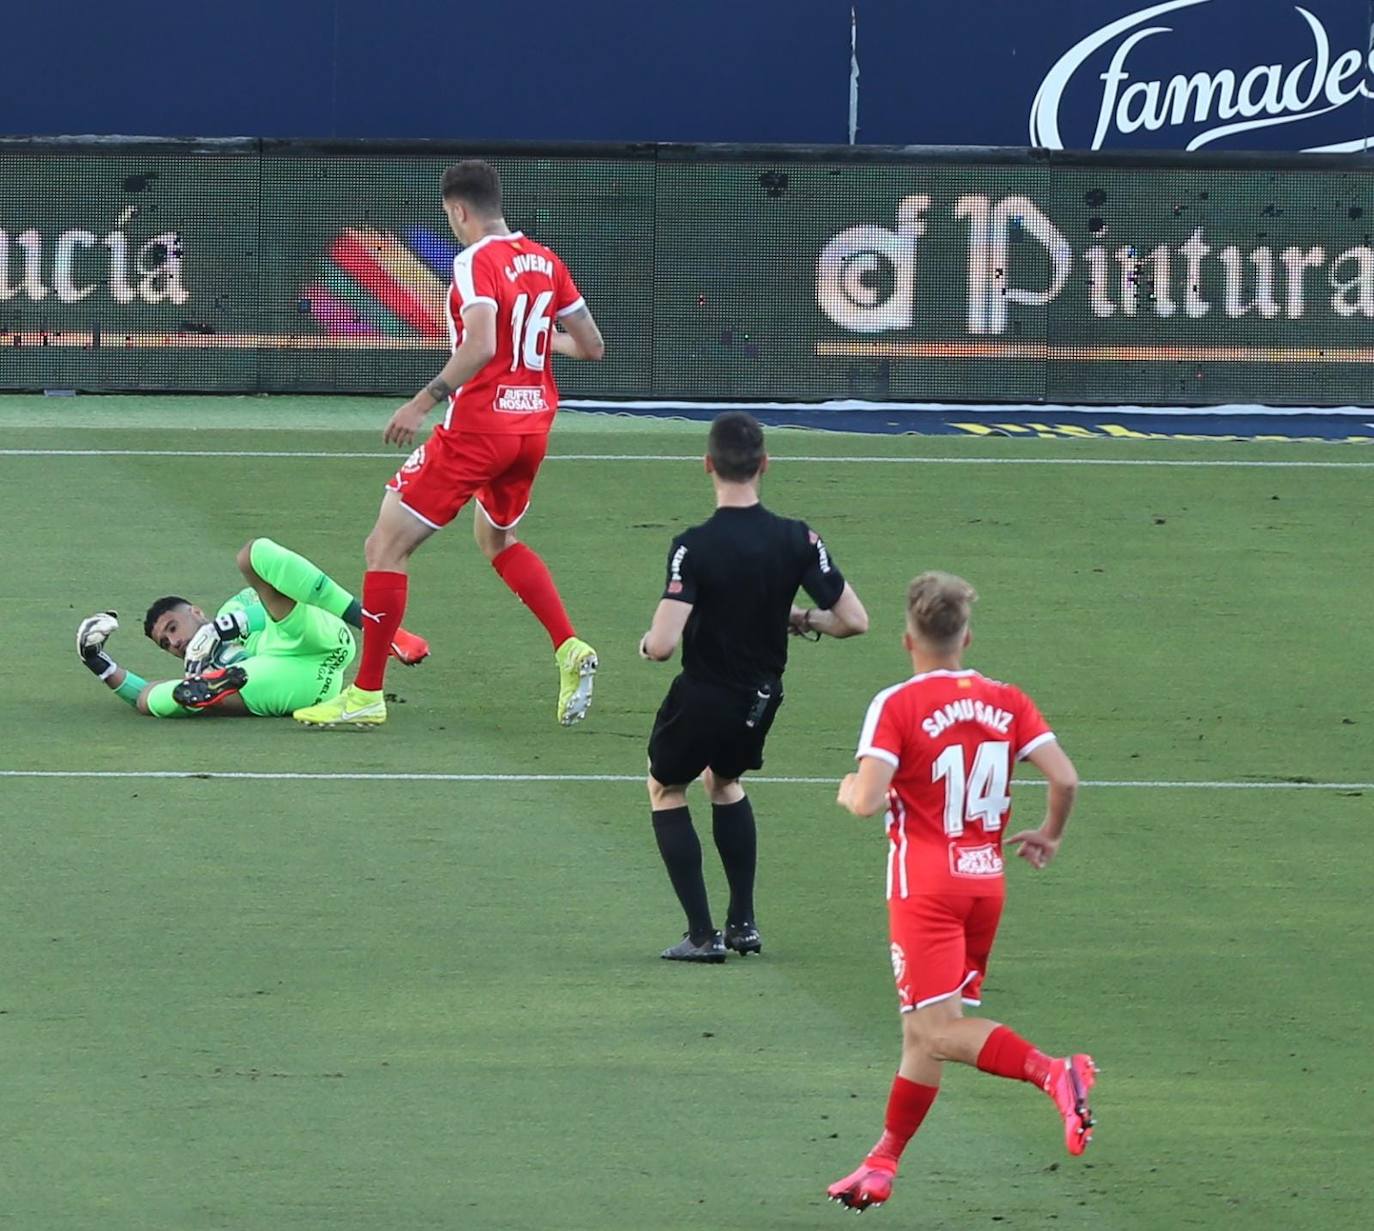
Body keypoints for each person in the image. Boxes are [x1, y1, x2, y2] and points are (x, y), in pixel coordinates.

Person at [293, 159, 605, 730]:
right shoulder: (544, 259)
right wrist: (531, 340)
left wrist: (422, 401)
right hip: (532, 427)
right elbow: (591, 346)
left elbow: (482, 343)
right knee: (497, 537)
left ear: (458, 210)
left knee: (383, 547)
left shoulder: (472, 262)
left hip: (477, 430)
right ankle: (567, 646)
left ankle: (365, 695)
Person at [826, 571, 1092, 1213]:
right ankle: (882, 1162)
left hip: (925, 887)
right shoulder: (1007, 700)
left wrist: (846, 789)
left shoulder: (898, 704)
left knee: (939, 1029)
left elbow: (866, 801)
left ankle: (1056, 1071)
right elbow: (1065, 779)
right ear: (965, 637)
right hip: (984, 883)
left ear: (906, 641)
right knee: (923, 1032)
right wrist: (1049, 836)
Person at [639, 411, 868, 962]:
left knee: (666, 787)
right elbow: (853, 620)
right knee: (726, 781)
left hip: (702, 696)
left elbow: (665, 643)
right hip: (759, 699)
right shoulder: (797, 538)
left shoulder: (693, 546)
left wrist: (647, 643)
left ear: (708, 466)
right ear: (765, 465)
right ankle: (743, 923)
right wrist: (802, 619)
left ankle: (701, 935)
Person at [75, 537, 428, 718]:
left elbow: (268, 607)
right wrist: (96, 660)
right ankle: (220, 688)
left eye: (172, 627)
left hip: (316, 637)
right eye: (165, 644)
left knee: (252, 555)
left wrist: (223, 629)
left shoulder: (236, 605)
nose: (175, 642)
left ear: (196, 611)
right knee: (154, 699)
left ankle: (380, 628)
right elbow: (140, 697)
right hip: (301, 684)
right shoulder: (197, 666)